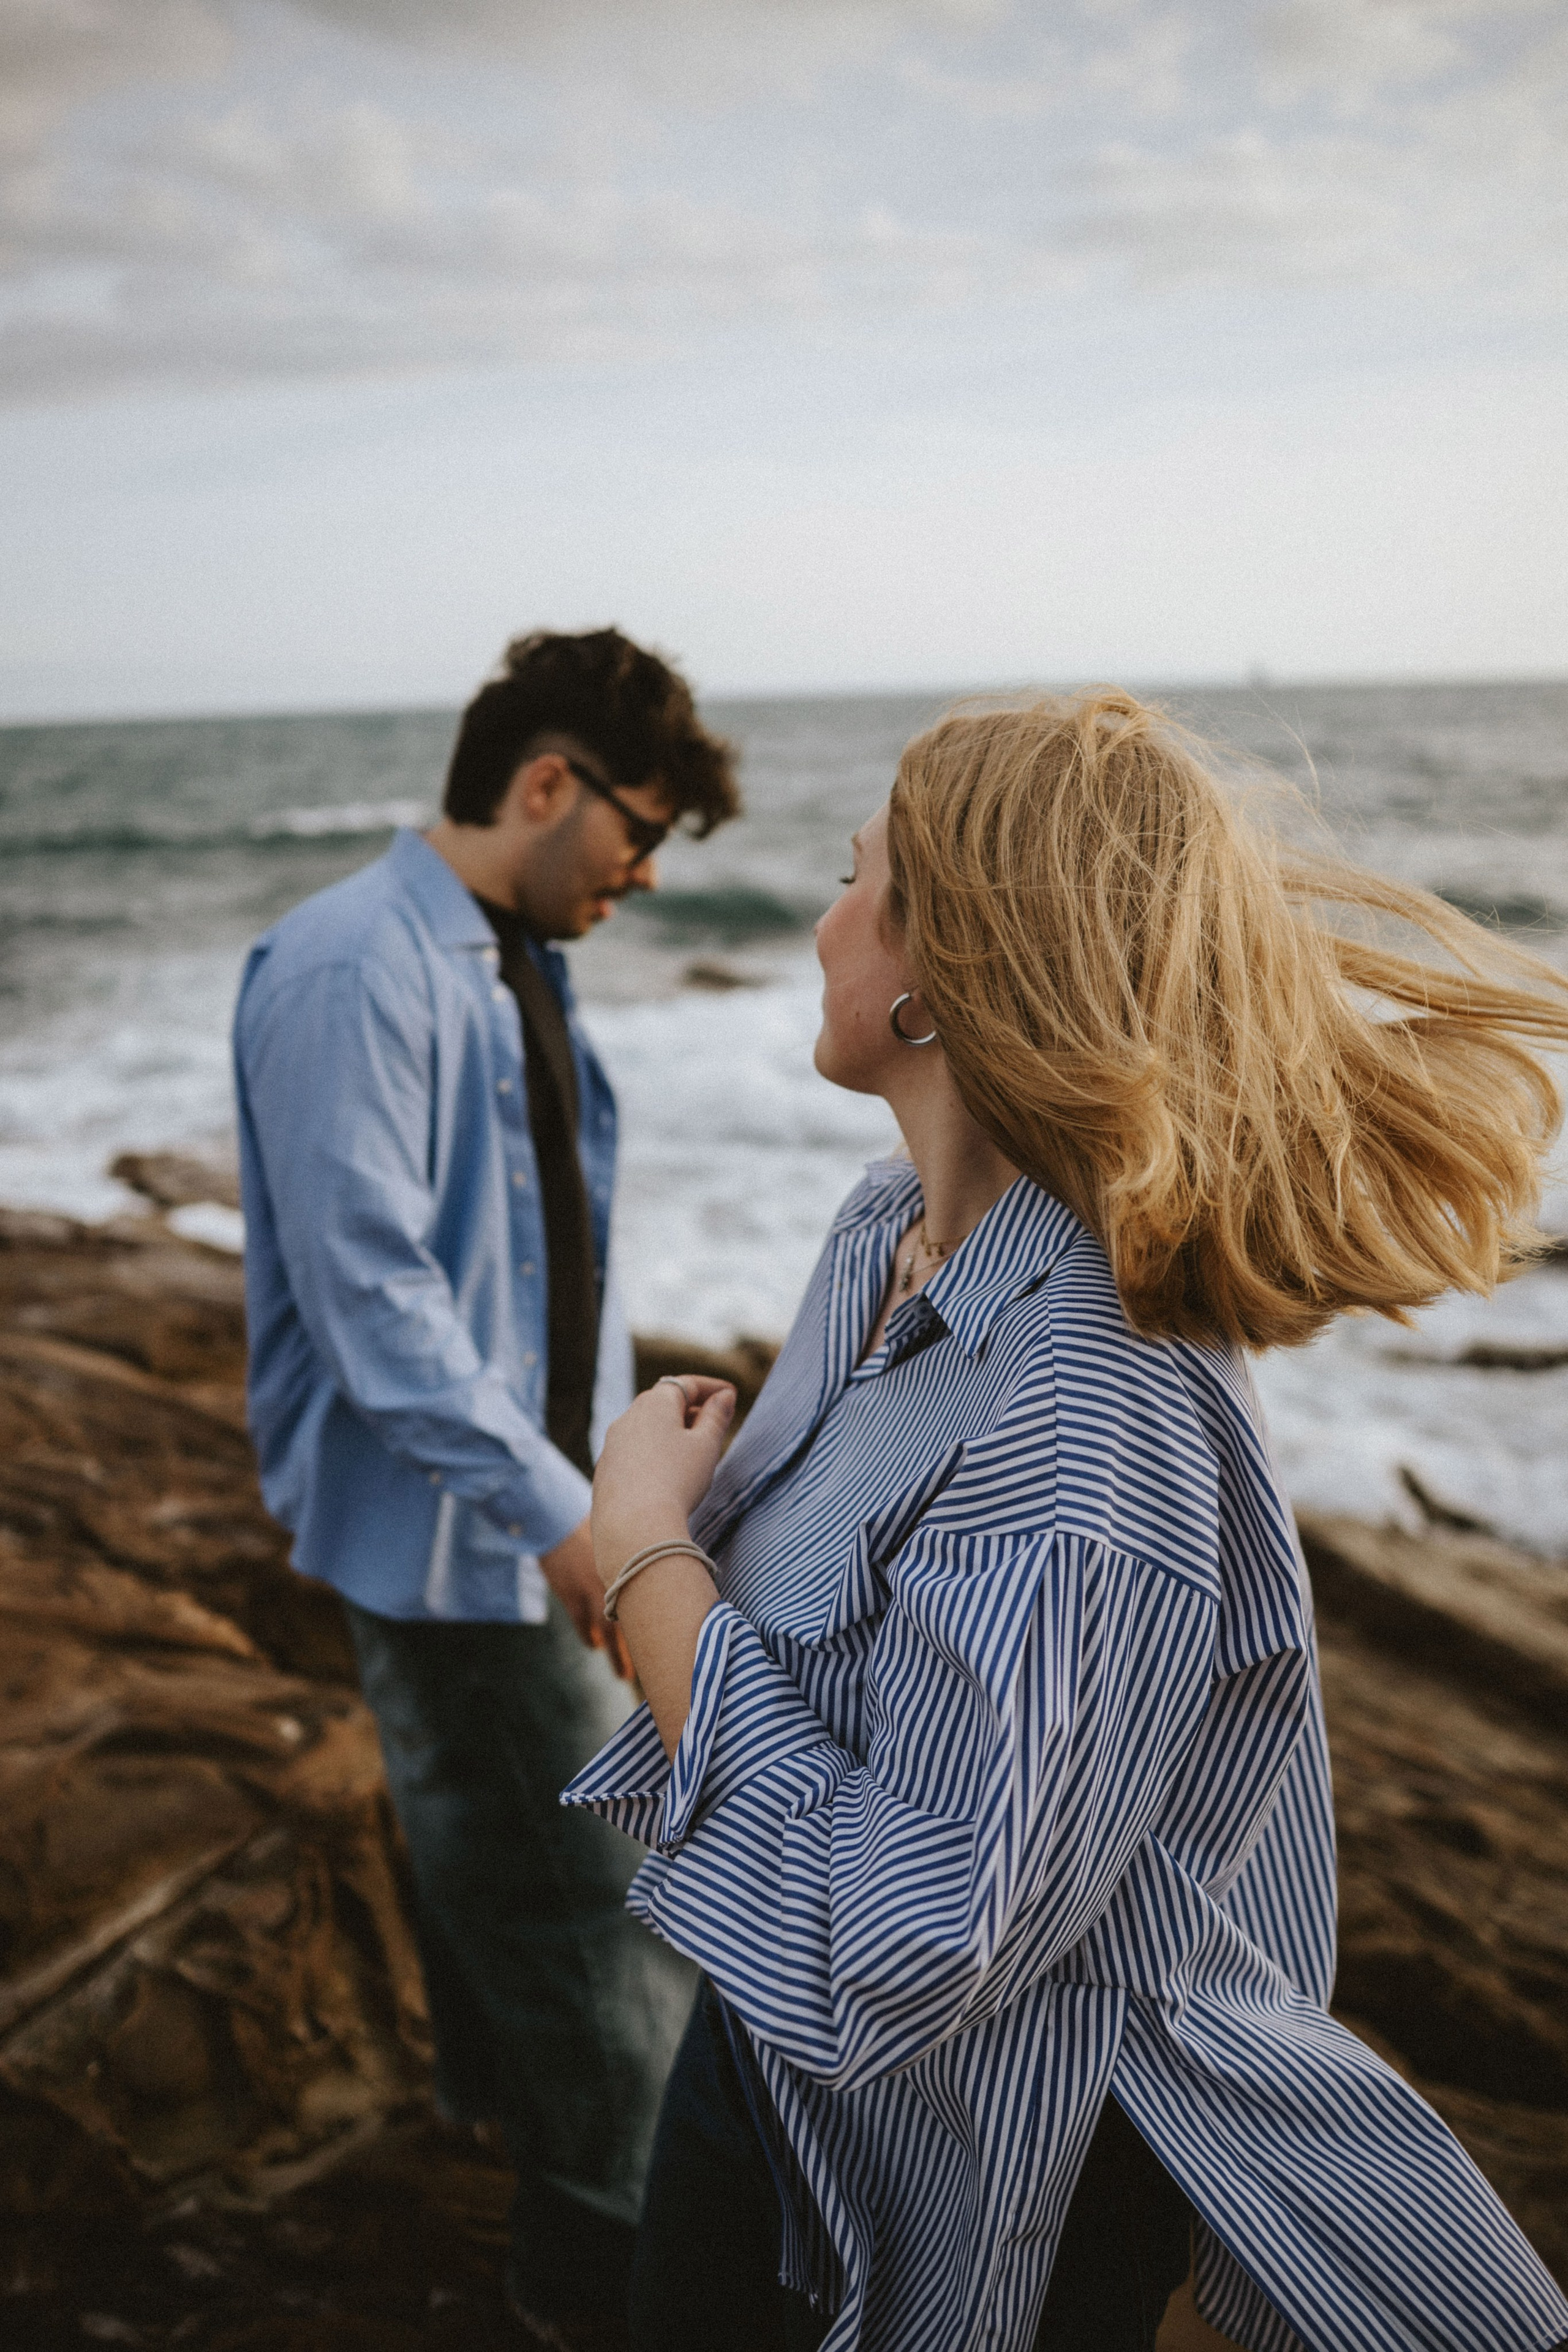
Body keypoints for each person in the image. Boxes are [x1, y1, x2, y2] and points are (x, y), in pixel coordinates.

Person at [565, 691, 1568, 2352]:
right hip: (773, 2067)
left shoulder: (1097, 1409)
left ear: (944, 969)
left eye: (850, 878)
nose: (816, 923)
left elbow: (901, 1936)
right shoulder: (889, 1228)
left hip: (977, 2178)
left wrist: (643, 1547)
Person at [233, 627, 739, 2351]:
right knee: (609, 1955)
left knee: (534, 1903)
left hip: (527, 1521)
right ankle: (588, 2296)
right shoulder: (352, 968)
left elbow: (537, 1266)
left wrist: (620, 1484)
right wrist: (575, 1523)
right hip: (465, 1546)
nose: (649, 874)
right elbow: (377, 1302)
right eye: (637, 831)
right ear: (545, 782)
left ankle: (527, 2185)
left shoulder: (507, 955)